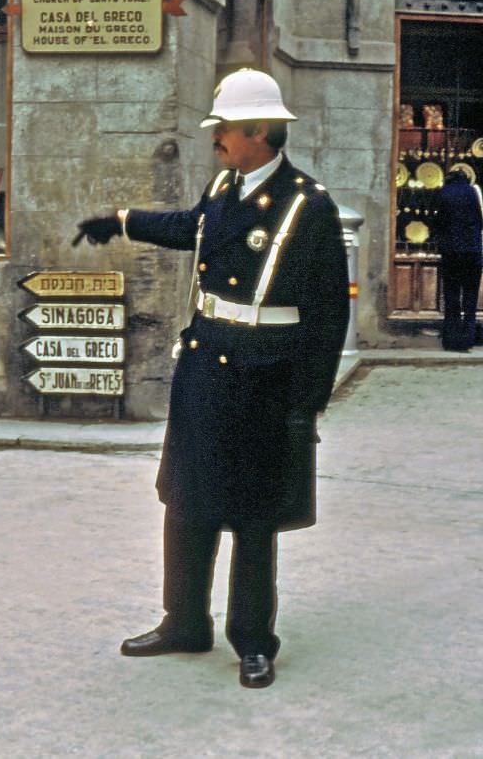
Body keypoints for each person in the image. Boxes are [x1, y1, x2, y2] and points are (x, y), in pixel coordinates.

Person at [73, 68, 350, 688]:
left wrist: (308, 402)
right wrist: (121, 219)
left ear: (259, 130)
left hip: (265, 371)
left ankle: (253, 640)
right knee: (186, 501)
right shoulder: (223, 186)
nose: (215, 138)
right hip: (205, 362)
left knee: (253, 514)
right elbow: (189, 228)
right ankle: (184, 622)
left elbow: (330, 313)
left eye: (223, 128)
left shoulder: (308, 204)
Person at [434, 169, 483, 352]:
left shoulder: (444, 192)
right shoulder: (472, 192)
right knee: (470, 299)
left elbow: (438, 221)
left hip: (452, 253)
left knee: (452, 297)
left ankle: (451, 340)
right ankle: (467, 339)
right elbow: (479, 220)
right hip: (472, 253)